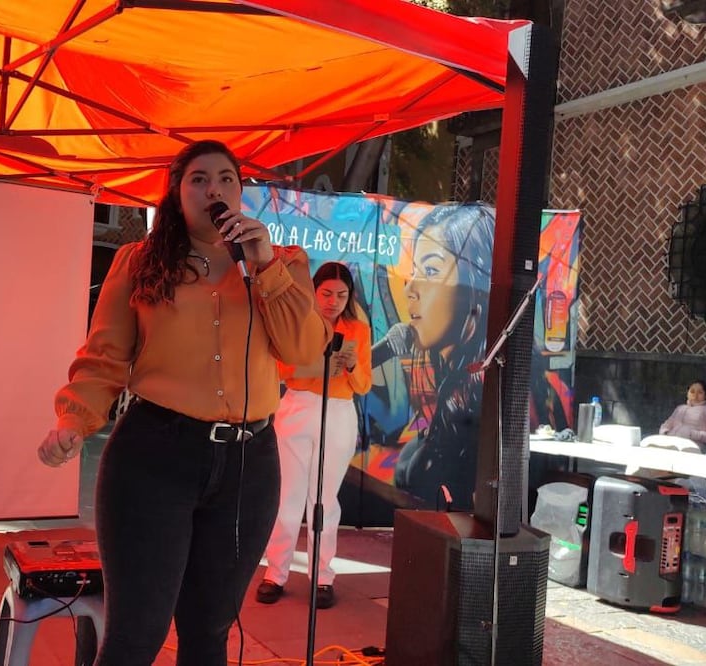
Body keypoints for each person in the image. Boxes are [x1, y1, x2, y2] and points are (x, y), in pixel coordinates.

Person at [38, 140, 330, 666]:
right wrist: (74, 420)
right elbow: (103, 358)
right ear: (176, 192)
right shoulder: (140, 262)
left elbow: (305, 353)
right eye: (198, 179)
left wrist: (264, 266)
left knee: (207, 635)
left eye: (225, 179)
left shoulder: (281, 264)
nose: (212, 189)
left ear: (240, 193)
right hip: (155, 457)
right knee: (136, 636)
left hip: (248, 464)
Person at [256, 262, 372, 609]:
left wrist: (349, 366)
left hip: (338, 410)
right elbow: (278, 367)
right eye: (326, 293)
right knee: (288, 497)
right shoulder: (299, 320)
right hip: (298, 405)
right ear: (314, 291)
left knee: (325, 499)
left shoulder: (358, 329)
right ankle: (275, 572)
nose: (333, 301)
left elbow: (364, 383)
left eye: (341, 295)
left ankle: (322, 575)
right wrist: (315, 368)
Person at [392, 204, 493, 511]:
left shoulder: (485, 394)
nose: (411, 288)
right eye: (413, 273)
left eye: (431, 270)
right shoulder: (450, 380)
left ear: (473, 282)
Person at [658, 379, 706, 451]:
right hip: (672, 444)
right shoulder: (680, 408)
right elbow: (666, 425)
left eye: (700, 392)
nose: (695, 395)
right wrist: (666, 433)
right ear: (687, 393)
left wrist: (693, 434)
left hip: (695, 448)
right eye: (692, 392)